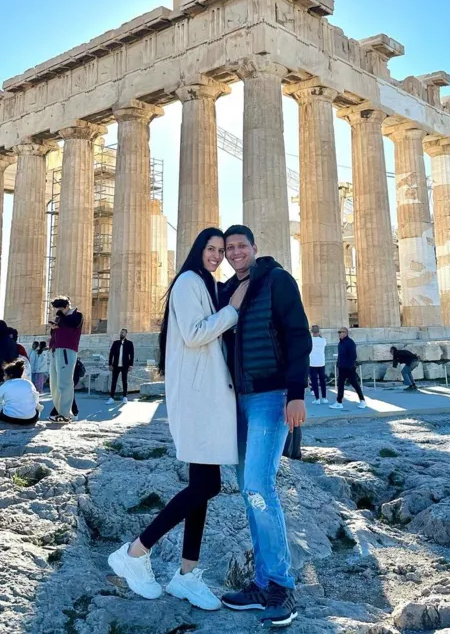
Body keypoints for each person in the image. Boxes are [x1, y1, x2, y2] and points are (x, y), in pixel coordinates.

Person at [108, 228, 249, 609]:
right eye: (211, 249)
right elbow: (193, 334)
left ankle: (187, 574)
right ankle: (135, 551)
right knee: (205, 486)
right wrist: (233, 311)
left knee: (205, 484)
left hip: (205, 398)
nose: (217, 256)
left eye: (221, 251)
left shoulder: (204, 283)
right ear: (197, 250)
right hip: (198, 399)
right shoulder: (189, 281)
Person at [219, 225, 311, 629]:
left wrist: (297, 392)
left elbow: (298, 335)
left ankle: (281, 585)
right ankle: (261, 583)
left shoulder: (278, 281)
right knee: (248, 490)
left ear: (254, 248)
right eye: (229, 248)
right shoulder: (226, 291)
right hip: (236, 401)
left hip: (272, 398)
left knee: (259, 485)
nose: (236, 253)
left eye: (242, 246)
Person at [48, 296, 84, 423]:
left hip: (66, 351)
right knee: (54, 384)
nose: (58, 311)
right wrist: (53, 328)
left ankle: (65, 414)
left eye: (60, 309)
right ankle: (59, 411)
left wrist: (60, 320)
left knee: (65, 383)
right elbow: (57, 332)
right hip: (54, 350)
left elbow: (72, 324)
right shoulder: (60, 317)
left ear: (67, 306)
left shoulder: (77, 315)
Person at [330, 327, 366, 411]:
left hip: (349, 368)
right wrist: (338, 363)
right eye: (338, 332)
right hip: (341, 367)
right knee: (340, 385)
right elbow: (340, 355)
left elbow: (353, 356)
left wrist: (350, 366)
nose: (339, 334)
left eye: (340, 332)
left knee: (354, 384)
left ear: (345, 333)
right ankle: (339, 402)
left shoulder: (350, 342)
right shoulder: (340, 343)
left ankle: (362, 400)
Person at [0, 359, 41, 425]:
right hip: (30, 419)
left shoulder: (5, 385)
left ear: (10, 375)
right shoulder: (28, 383)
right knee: (36, 410)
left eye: (5, 375)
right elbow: (36, 398)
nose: (3, 377)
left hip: (9, 418)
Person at [106, 329, 134, 405]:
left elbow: (131, 355)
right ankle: (111, 397)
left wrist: (131, 365)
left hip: (125, 365)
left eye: (123, 332)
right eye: (121, 332)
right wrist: (110, 364)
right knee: (113, 381)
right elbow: (111, 354)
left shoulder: (129, 343)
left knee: (124, 381)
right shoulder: (115, 343)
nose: (121, 333)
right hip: (116, 365)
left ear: (126, 334)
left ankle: (125, 397)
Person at [309, 325, 328, 405]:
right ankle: (324, 397)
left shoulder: (309, 340)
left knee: (314, 381)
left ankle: (317, 398)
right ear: (319, 331)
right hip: (321, 363)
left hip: (313, 363)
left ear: (312, 332)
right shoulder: (323, 340)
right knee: (322, 381)